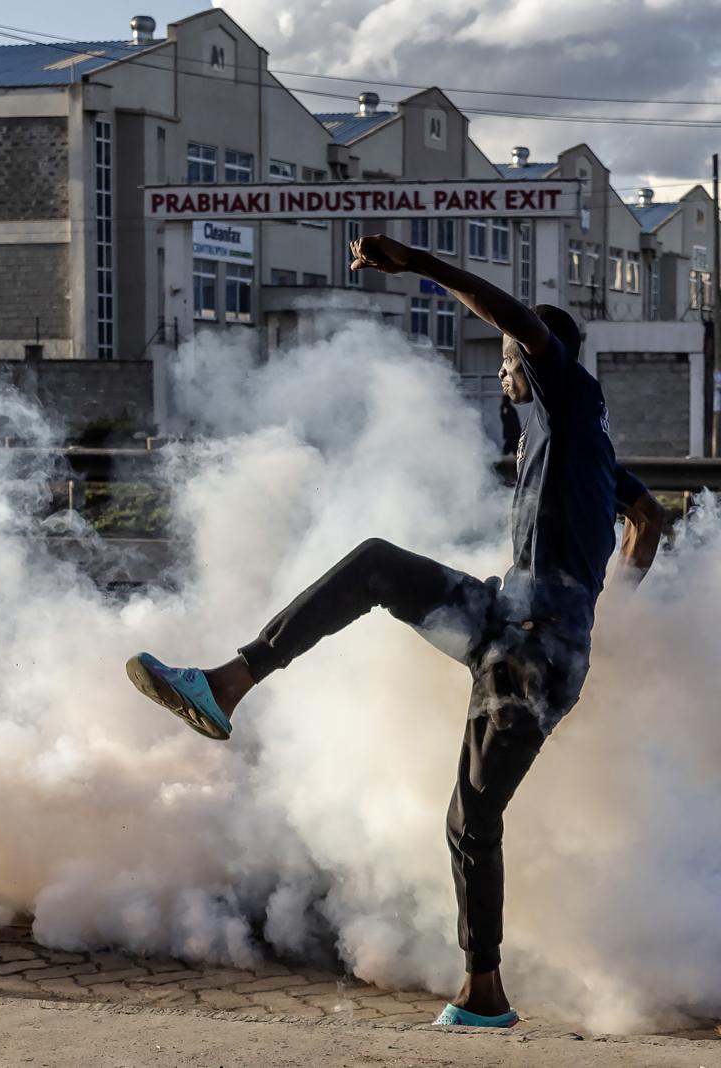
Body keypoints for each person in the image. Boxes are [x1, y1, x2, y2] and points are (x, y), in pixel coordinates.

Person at [126, 232, 666, 1028]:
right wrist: (607, 604)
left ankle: (485, 992)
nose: (502, 372)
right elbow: (647, 518)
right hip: (508, 621)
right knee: (378, 567)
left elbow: (510, 315)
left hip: (530, 644)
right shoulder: (584, 441)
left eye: (507, 360)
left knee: (472, 819)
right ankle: (226, 685)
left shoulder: (563, 392)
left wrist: (419, 263)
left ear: (529, 356)